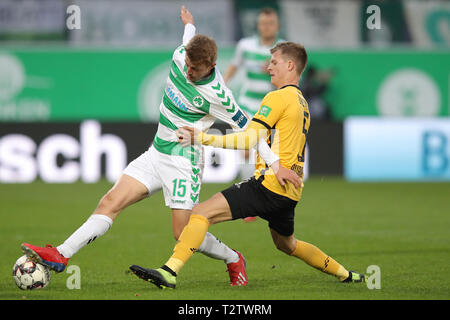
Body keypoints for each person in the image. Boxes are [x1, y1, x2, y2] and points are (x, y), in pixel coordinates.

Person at [20, 6, 300, 287]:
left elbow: (251, 133)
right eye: (188, 65)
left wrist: (276, 165)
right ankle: (61, 255)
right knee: (110, 202)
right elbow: (187, 37)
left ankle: (232, 257)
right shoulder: (181, 56)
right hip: (156, 152)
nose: (189, 72)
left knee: (182, 232)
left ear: (211, 67)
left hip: (184, 161)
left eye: (196, 69)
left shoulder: (219, 96)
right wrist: (189, 23)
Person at [129, 41, 365, 289]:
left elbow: (248, 139)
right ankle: (345, 274)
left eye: (274, 62)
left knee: (199, 213)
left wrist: (203, 138)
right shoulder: (301, 101)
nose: (268, 67)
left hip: (269, 185)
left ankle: (169, 271)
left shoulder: (277, 97)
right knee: (287, 244)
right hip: (290, 191)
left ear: (290, 65)